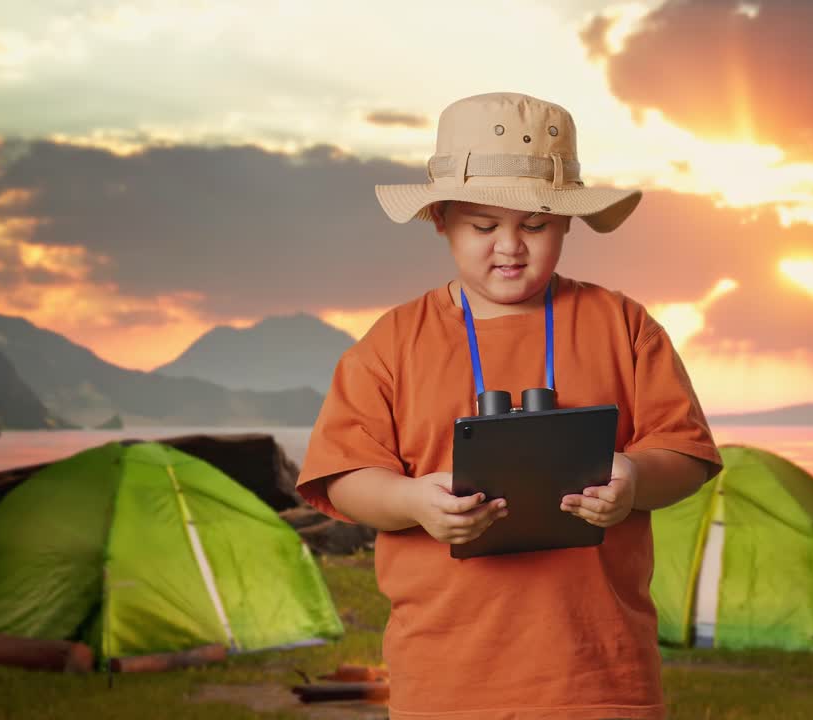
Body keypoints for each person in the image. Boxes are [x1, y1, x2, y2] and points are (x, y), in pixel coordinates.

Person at [297, 92, 722, 720]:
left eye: (535, 224)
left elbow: (684, 453)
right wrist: (413, 501)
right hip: (445, 679)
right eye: (483, 225)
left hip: (602, 677)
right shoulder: (392, 342)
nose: (510, 246)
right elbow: (345, 475)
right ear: (440, 219)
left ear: (568, 222)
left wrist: (633, 479)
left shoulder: (622, 324)